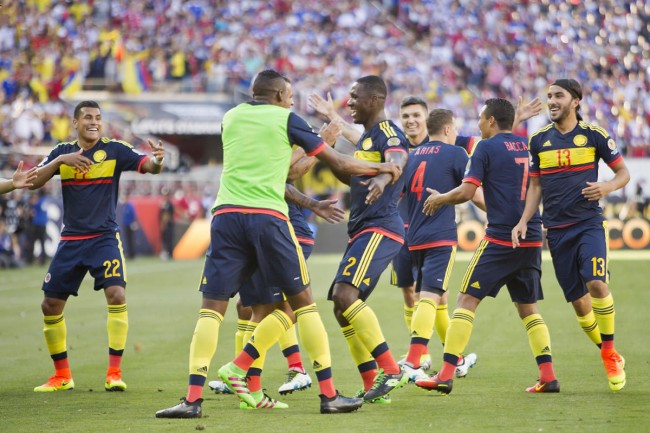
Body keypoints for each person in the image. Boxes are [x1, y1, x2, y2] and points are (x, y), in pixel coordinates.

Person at [155, 69, 401, 418]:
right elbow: (338, 162)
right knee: (304, 305)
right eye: (288, 95)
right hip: (268, 218)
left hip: (225, 216)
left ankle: (192, 400)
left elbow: (269, 166)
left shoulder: (230, 117)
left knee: (212, 309)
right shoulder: (287, 119)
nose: (291, 101)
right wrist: (387, 166)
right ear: (277, 95)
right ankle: (329, 395)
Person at [415, 98, 559, 394]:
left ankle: (445, 374)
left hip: (501, 237)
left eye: (481, 117)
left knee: (466, 300)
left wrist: (441, 198)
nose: (478, 122)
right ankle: (548, 375)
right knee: (528, 309)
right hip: (531, 236)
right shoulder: (525, 145)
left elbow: (468, 191)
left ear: (491, 120)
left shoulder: (485, 148)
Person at [29, 100, 165, 393]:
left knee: (116, 295)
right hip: (71, 240)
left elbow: (148, 166)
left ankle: (114, 373)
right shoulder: (61, 153)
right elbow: (32, 181)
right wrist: (58, 163)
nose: (94, 121)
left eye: (98, 118)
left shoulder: (114, 150)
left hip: (104, 238)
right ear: (75, 122)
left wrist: (158, 160)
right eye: (88, 117)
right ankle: (62, 376)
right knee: (50, 305)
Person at [512, 79, 629, 392]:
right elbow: (535, 186)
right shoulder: (538, 140)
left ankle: (608, 353)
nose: (551, 101)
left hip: (588, 224)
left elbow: (623, 173)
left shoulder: (594, 135)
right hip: (556, 232)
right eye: (549, 96)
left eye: (558, 96)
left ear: (575, 101)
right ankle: (609, 350)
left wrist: (607, 187)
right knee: (580, 306)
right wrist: (525, 218)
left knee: (597, 283)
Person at [320, 75, 410, 404]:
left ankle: (391, 369)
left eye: (355, 97)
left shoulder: (387, 132)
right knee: (340, 306)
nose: (350, 102)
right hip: (362, 227)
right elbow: (350, 172)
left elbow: (399, 160)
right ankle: (374, 383)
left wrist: (385, 179)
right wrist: (325, 152)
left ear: (374, 100)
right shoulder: (368, 139)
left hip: (381, 226)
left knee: (344, 294)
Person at [398, 108, 485, 382]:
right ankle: (413, 360)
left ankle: (455, 359)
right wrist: (497, 213)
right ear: (448, 129)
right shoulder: (456, 153)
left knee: (431, 296)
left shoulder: (411, 156)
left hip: (414, 236)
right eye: (455, 128)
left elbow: (399, 195)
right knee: (430, 296)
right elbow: (470, 191)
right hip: (441, 235)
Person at [159, 189, 174, 260]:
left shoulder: (167, 204)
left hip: (168, 225)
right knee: (166, 239)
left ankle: (168, 254)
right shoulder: (165, 204)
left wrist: (163, 224)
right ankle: (168, 253)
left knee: (167, 240)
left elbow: (166, 215)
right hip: (168, 224)